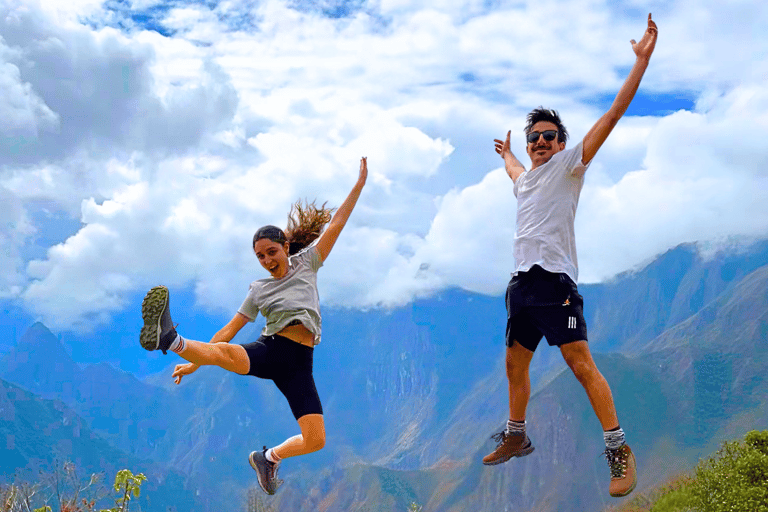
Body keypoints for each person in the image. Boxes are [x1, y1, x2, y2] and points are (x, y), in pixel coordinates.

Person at [482, 15, 658, 498]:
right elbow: (515, 170)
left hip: (555, 285)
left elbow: (613, 115)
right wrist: (505, 154)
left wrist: (640, 63)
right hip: (520, 287)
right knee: (515, 366)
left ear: (562, 143)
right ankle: (517, 436)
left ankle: (619, 448)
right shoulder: (526, 180)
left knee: (581, 366)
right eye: (534, 137)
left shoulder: (569, 168)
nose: (540, 142)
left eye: (548, 136)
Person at [139, 157, 368, 495]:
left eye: (271, 252)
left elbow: (336, 224)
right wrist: (194, 362)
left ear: (286, 247)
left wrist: (359, 185)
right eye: (260, 256)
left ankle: (268, 458)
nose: (266, 260)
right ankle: (169, 338)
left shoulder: (309, 263)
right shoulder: (258, 289)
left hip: (300, 365)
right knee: (228, 353)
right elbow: (229, 331)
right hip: (273, 351)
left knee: (315, 439)